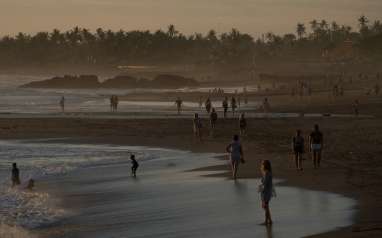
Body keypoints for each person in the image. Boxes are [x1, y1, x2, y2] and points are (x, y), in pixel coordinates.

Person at [259, 160, 273, 226]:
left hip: (266, 191)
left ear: (266, 165)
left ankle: (266, 221)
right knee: (266, 207)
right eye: (262, 164)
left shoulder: (267, 173)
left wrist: (262, 189)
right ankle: (269, 220)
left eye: (263, 164)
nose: (262, 165)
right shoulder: (267, 172)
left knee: (265, 206)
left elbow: (265, 183)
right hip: (267, 191)